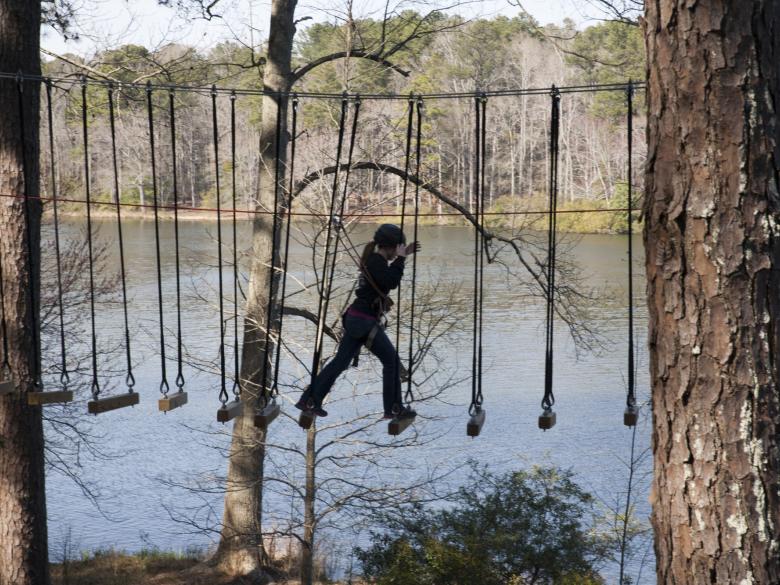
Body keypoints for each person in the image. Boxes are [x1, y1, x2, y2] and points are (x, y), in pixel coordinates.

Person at [296, 223, 420, 419]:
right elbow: (390, 282)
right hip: (363, 321)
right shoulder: (376, 261)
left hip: (358, 319)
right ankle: (394, 408)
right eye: (396, 249)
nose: (397, 254)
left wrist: (404, 256)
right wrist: (402, 260)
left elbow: (385, 279)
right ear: (388, 246)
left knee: (340, 363)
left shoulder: (376, 261)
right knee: (391, 362)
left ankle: (310, 400)